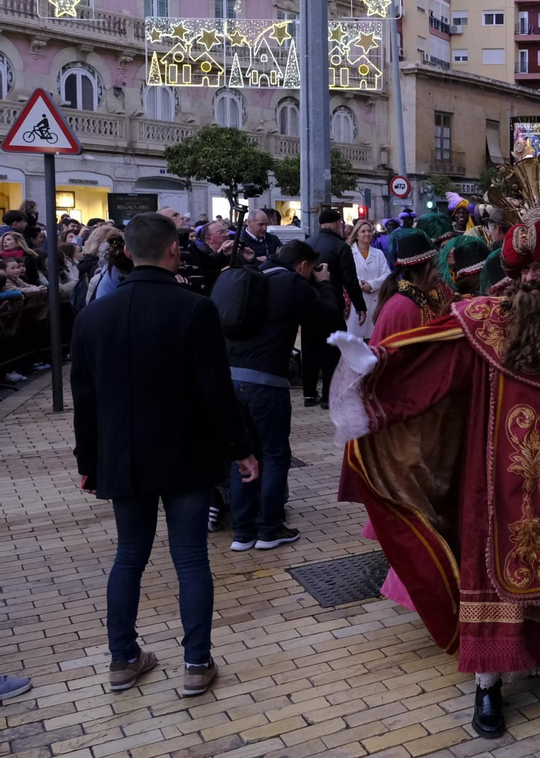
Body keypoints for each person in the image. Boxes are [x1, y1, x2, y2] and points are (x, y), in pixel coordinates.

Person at [332, 159, 540, 738]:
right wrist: (379, 365)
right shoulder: (483, 321)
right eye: (526, 269)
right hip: (493, 486)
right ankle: (489, 684)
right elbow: (434, 363)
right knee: (489, 567)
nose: (533, 279)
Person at [71, 213, 258, 698]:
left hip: (123, 455)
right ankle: (196, 662)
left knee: (129, 555)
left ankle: (123, 659)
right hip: (185, 454)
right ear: (174, 249)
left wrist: (88, 462)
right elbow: (217, 390)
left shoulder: (93, 316)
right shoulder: (194, 309)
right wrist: (239, 450)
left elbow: (85, 402)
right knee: (191, 558)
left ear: (127, 252)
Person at [224, 240, 340, 552]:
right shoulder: (292, 283)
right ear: (304, 265)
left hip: (231, 379)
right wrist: (325, 284)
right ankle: (270, 529)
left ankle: (242, 532)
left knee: (245, 454)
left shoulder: (253, 276)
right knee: (275, 455)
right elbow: (329, 315)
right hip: (266, 382)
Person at [304, 208, 366, 407]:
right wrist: (360, 306)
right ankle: (328, 395)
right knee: (332, 349)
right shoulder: (340, 246)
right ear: (336, 223)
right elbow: (350, 280)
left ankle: (308, 393)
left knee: (310, 348)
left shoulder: (307, 244)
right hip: (331, 303)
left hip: (309, 304)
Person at [370, 229, 452, 341]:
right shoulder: (403, 306)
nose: (441, 272)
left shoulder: (419, 296)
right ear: (424, 268)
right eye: (435, 266)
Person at [347, 218, 389, 339]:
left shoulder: (379, 253)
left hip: (375, 300)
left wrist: (372, 284)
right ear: (356, 235)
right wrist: (360, 284)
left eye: (369, 231)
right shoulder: (349, 253)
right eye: (363, 231)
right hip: (357, 302)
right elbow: (349, 274)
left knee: (373, 339)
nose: (367, 234)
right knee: (355, 341)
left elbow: (386, 274)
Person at [184, 220, 245, 296]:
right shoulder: (201, 253)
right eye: (221, 232)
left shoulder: (233, 252)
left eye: (226, 231)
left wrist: (250, 259)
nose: (226, 235)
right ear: (209, 239)